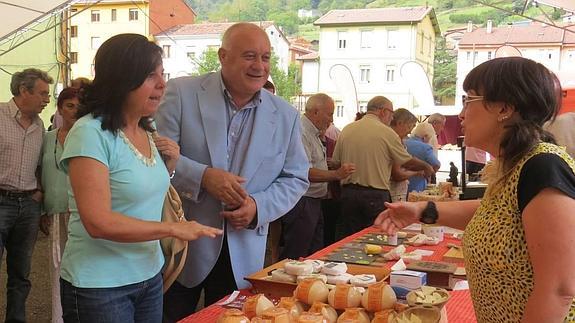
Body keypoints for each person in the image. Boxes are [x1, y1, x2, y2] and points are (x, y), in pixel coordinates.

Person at [375, 57, 575, 322]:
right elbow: (496, 215)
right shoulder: (515, 165)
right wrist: (422, 210)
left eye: (468, 100)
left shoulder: (542, 166)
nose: (460, 114)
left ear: (504, 107)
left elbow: (559, 289)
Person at [58, 33, 223, 323]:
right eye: (150, 76)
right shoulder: (90, 133)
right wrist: (173, 230)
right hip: (101, 285)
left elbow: (143, 192)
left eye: (162, 74)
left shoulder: (147, 129)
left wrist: (169, 167)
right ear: (121, 78)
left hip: (148, 276)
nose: (162, 84)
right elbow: (98, 222)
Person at [156, 22, 309, 322]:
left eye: (265, 58)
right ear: (223, 56)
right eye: (249, 56)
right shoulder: (182, 93)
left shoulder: (286, 115)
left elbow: (296, 177)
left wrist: (258, 206)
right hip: (180, 246)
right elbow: (156, 154)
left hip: (244, 248)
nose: (259, 66)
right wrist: (202, 176)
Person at [332, 96, 434, 238]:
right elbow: (406, 161)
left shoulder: (347, 129)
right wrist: (426, 166)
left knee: (348, 239)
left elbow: (336, 163)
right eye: (391, 114)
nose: (391, 118)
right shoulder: (387, 132)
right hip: (374, 195)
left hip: (349, 194)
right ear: (383, 111)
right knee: (374, 238)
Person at [0, 68, 52, 323]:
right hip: (1, 202)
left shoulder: (40, 125)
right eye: (42, 94)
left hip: (28, 206)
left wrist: (40, 192)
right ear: (23, 90)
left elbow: (41, 163)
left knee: (21, 274)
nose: (47, 100)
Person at [279, 93, 355, 260]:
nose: (331, 119)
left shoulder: (311, 132)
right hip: (303, 201)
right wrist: (336, 174)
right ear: (315, 112)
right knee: (297, 253)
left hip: (312, 200)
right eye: (329, 113)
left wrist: (329, 163)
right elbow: (303, 171)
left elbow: (309, 161)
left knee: (313, 252)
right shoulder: (302, 132)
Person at [39, 87, 79, 323]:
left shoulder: (89, 136)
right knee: (57, 267)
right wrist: (41, 208)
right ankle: (58, 318)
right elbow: (38, 170)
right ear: (60, 108)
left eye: (78, 106)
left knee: (79, 266)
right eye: (69, 106)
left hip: (82, 212)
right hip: (55, 210)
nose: (74, 111)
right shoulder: (47, 138)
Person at [388, 109, 426, 202]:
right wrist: (417, 173)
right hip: (393, 193)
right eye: (409, 127)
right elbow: (397, 174)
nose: (409, 132)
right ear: (400, 123)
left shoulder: (398, 140)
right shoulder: (394, 140)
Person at [405, 121, 441, 194]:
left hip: (402, 184)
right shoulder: (426, 147)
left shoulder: (403, 142)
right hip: (417, 185)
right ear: (425, 136)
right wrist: (428, 173)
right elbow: (437, 164)